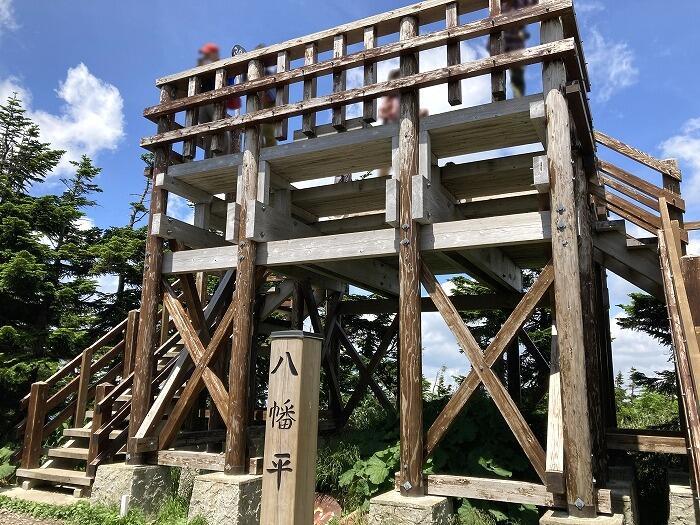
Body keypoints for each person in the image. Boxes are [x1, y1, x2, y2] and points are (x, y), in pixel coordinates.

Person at [501, 0, 537, 98]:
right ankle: (509, 99)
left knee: (516, 76)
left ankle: (518, 98)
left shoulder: (519, 3)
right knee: (500, 76)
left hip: (515, 44)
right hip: (504, 42)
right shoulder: (503, 6)